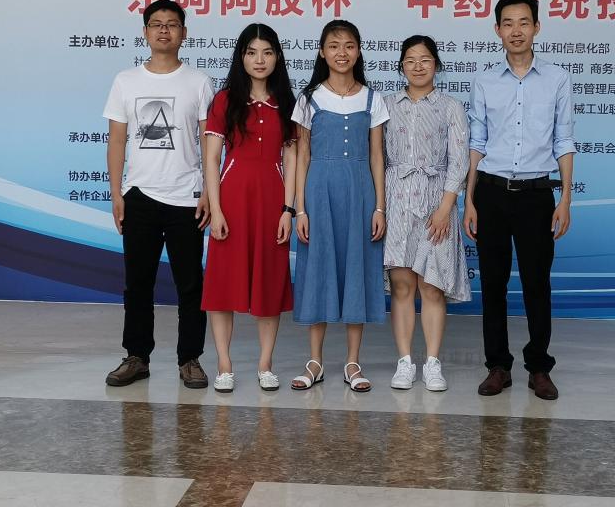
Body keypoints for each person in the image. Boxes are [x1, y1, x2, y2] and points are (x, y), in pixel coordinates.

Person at [463, 0, 575, 400]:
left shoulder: (557, 79)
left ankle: (539, 367)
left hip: (536, 196)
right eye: (508, 23)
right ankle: (498, 366)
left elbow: (564, 140)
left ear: (536, 27)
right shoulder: (484, 81)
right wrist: (469, 200)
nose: (516, 30)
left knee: (536, 284)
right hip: (491, 193)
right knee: (493, 284)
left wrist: (565, 200)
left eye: (523, 22)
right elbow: (477, 142)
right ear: (497, 30)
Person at [103, 0, 215, 389]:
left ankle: (190, 359)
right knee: (138, 283)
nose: (164, 30)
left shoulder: (199, 82)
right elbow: (117, 140)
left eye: (172, 24)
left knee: (191, 285)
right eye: (156, 24)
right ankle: (136, 357)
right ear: (145, 32)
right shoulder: (126, 81)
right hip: (139, 196)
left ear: (184, 33)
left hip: (186, 198)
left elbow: (209, 143)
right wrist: (116, 193)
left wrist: (208, 192)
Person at [290, 20, 389, 393]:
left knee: (356, 270)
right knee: (318, 268)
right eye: (334, 45)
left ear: (359, 51)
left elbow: (377, 156)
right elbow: (302, 155)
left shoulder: (372, 98)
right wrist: (300, 209)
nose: (341, 52)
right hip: (319, 192)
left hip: (361, 192)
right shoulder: (309, 98)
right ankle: (314, 361)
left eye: (349, 45)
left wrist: (379, 207)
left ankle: (352, 362)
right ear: (322, 52)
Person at [201, 23, 298, 393]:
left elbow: (291, 159)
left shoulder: (287, 102)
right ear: (241, 56)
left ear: (277, 57)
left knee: (269, 282)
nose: (260, 60)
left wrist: (288, 209)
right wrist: (216, 209)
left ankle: (265, 364)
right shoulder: (225, 100)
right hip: (232, 200)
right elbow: (212, 159)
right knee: (222, 285)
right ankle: (224, 364)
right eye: (252, 52)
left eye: (267, 52)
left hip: (272, 202)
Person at [383, 35, 471, 392]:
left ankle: (433, 363)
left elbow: (459, 160)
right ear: (401, 66)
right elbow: (378, 158)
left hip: (437, 204)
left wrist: (446, 208)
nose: (417, 66)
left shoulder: (451, 107)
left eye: (424, 59)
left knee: (432, 286)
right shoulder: (387, 105)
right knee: (402, 286)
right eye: (410, 60)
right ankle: (405, 362)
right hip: (397, 203)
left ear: (436, 64)